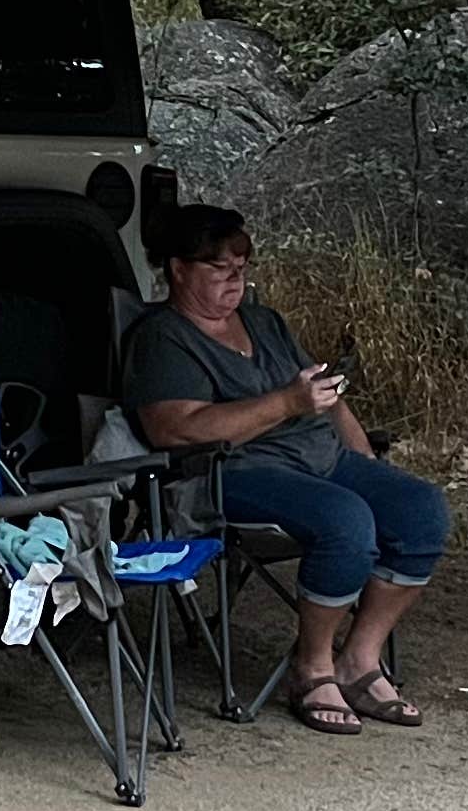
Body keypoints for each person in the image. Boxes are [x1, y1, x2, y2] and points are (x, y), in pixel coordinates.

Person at [120, 205, 451, 735]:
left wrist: (364, 459)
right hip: (233, 471)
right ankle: (312, 667)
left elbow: (322, 393)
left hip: (321, 457)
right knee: (345, 521)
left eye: (242, 267)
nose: (235, 280)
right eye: (219, 268)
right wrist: (285, 403)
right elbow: (175, 430)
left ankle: (359, 658)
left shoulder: (263, 321)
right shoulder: (162, 337)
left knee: (420, 511)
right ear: (177, 269)